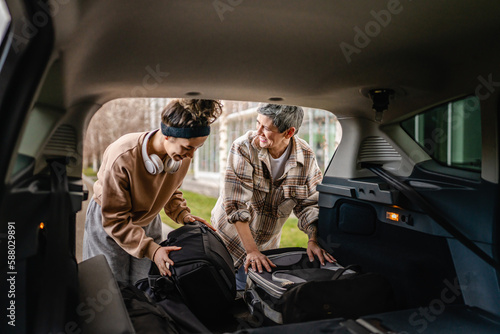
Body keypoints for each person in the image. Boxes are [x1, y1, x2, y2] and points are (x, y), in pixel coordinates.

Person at [83, 99, 222, 284]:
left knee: (145, 285)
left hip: (149, 221)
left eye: (197, 148)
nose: (191, 156)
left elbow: (171, 189)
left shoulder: (181, 158)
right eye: (188, 148)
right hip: (109, 223)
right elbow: (114, 218)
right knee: (110, 286)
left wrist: (182, 214)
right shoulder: (122, 156)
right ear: (167, 135)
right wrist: (152, 249)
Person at [211, 103, 335, 290]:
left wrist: (313, 239)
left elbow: (310, 204)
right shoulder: (243, 148)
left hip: (267, 248)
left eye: (266, 128)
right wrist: (251, 251)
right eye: (257, 123)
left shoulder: (306, 156)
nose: (257, 131)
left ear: (289, 132)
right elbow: (236, 205)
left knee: (254, 299)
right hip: (228, 241)